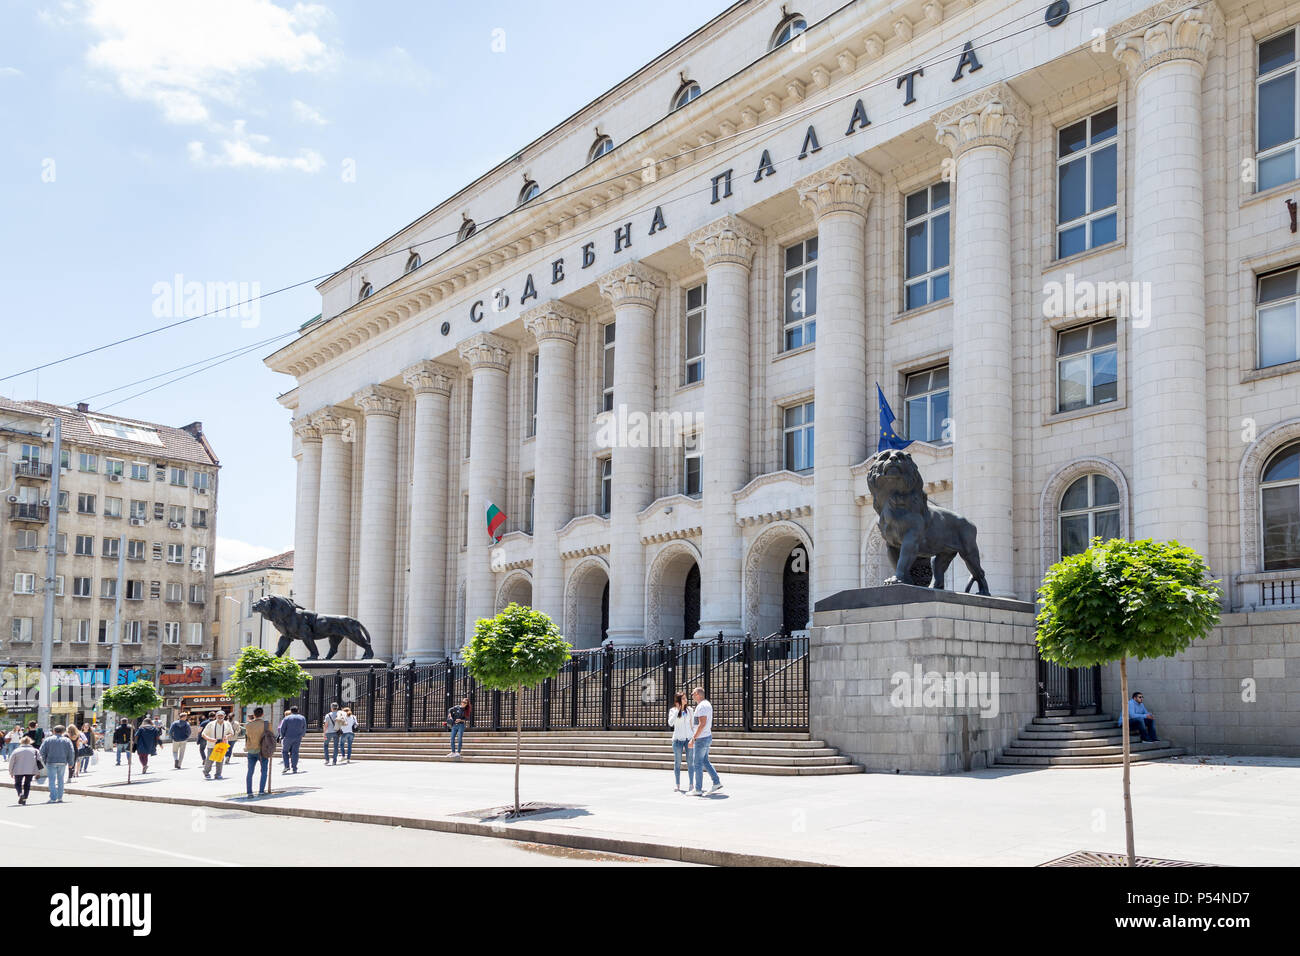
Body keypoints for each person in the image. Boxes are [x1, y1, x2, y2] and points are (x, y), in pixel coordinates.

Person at [687, 687, 722, 796]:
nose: (692, 695)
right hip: (707, 736)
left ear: (697, 694)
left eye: (693, 693)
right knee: (705, 761)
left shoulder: (701, 706)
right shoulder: (707, 704)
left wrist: (694, 738)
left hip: (701, 738)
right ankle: (716, 781)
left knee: (697, 763)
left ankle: (698, 789)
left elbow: (701, 724)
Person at [38, 725, 75, 803]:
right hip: (62, 762)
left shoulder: (48, 740)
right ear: (63, 732)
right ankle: (60, 797)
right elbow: (71, 752)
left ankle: (53, 797)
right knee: (60, 779)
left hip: (50, 761)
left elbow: (41, 751)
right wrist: (71, 763)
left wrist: (44, 760)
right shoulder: (67, 740)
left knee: (51, 780)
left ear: (54, 731)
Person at [242, 707, 274, 797]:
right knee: (264, 771)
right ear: (262, 714)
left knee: (250, 771)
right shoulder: (266, 724)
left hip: (251, 750)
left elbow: (247, 737)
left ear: (254, 714)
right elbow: (271, 736)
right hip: (263, 750)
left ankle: (249, 792)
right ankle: (261, 791)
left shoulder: (248, 725)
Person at [668, 691, 694, 792]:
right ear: (678, 701)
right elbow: (670, 723)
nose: (686, 700)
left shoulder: (690, 710)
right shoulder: (673, 710)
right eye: (683, 698)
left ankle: (691, 784)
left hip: (689, 739)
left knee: (690, 762)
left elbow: (692, 725)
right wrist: (677, 711)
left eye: (686, 698)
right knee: (677, 762)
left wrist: (694, 737)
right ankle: (677, 784)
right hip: (677, 740)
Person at [7, 736, 39, 805]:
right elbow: (39, 760)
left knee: (17, 783)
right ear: (30, 742)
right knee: (27, 784)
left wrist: (10, 771)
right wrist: (38, 771)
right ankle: (25, 798)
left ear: (21, 742)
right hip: (30, 770)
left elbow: (11, 761)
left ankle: (20, 794)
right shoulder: (35, 750)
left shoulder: (16, 750)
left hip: (18, 770)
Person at [201, 712, 233, 780]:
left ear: (224, 716)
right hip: (212, 744)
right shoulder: (211, 724)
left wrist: (227, 736)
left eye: (221, 715)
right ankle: (206, 772)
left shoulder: (227, 723)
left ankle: (218, 774)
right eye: (218, 715)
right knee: (210, 760)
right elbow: (203, 734)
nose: (220, 717)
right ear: (216, 716)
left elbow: (231, 733)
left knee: (220, 760)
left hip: (222, 744)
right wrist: (210, 739)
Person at [278, 706, 306, 773]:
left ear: (291, 711)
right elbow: (304, 727)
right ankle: (294, 768)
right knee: (295, 752)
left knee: (285, 752)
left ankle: (286, 766)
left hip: (287, 737)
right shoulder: (302, 718)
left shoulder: (287, 718)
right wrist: (302, 735)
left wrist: (282, 736)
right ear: (298, 710)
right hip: (297, 737)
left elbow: (282, 728)